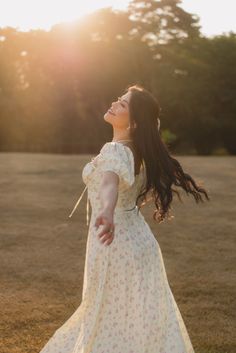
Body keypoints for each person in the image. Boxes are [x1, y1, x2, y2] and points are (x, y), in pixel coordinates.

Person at [39, 84, 210, 353]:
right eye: (118, 99)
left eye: (123, 104)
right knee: (133, 319)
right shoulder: (132, 151)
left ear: (134, 122)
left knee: (111, 316)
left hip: (116, 246)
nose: (115, 104)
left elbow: (110, 182)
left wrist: (107, 211)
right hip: (136, 244)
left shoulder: (117, 151)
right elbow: (115, 182)